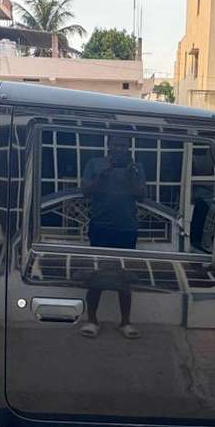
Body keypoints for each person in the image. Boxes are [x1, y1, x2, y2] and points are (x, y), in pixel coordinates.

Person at [79, 135, 145, 339]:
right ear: (108, 146)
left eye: (123, 145)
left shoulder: (136, 167)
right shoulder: (94, 163)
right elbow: (85, 192)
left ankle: (125, 322)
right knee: (97, 275)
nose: (119, 149)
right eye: (116, 145)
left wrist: (131, 176)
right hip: (101, 226)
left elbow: (141, 195)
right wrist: (103, 175)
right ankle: (92, 320)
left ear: (128, 147)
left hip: (127, 227)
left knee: (124, 277)